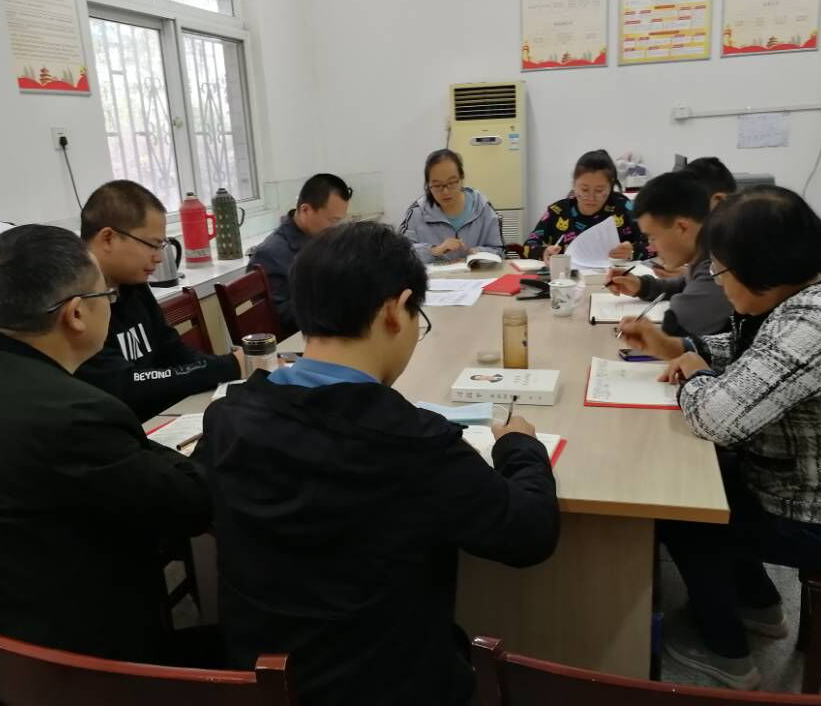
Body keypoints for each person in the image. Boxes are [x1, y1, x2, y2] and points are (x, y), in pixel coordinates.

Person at [198, 222, 559, 705]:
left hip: (263, 687)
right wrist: (519, 446)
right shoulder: (415, 442)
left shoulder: (227, 417)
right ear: (394, 310)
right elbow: (530, 531)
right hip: (391, 687)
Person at [619, 186, 821, 690]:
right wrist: (676, 346)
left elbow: (718, 419)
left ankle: (726, 655)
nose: (717, 281)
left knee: (681, 507)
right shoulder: (814, 290)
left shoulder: (817, 320)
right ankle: (759, 606)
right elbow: (752, 352)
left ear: (759, 268)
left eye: (721, 271)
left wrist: (695, 376)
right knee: (712, 481)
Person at [0, 225, 212, 663]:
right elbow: (193, 504)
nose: (111, 305)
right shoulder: (75, 414)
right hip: (78, 659)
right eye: (107, 296)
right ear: (76, 314)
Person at [76, 180, 242, 421]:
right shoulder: (78, 305)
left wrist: (235, 365)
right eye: (152, 245)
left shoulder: (132, 284)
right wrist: (227, 366)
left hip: (166, 416)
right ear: (108, 238)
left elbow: (172, 350)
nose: (158, 258)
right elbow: (126, 385)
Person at [607, 169, 732, 336]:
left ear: (682, 227)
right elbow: (685, 284)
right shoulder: (705, 255)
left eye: (652, 237)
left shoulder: (717, 269)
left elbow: (672, 331)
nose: (652, 247)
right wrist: (641, 286)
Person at [247, 173, 352, 336]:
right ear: (305, 210)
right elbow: (281, 320)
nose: (336, 228)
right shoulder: (270, 255)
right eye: (333, 220)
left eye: (340, 221)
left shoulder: (321, 239)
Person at [524, 149, 651, 262]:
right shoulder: (558, 211)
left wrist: (632, 251)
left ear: (610, 186)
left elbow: (655, 244)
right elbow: (528, 246)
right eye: (584, 190)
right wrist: (544, 252)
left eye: (599, 190)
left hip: (613, 277)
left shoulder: (624, 208)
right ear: (574, 184)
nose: (591, 197)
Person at [400, 149, 504, 263]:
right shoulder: (417, 212)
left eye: (452, 183)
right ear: (428, 185)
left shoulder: (482, 207)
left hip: (476, 274)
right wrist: (434, 251)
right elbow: (400, 254)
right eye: (437, 185)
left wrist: (479, 252)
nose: (445, 191)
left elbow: (499, 251)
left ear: (461, 179)